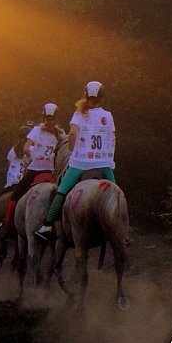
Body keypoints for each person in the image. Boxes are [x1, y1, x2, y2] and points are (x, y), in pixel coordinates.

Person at [35, 81, 116, 241]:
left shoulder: (79, 114)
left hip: (81, 163)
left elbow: (72, 133)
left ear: (85, 95)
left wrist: (72, 147)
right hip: (104, 164)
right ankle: (121, 229)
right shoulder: (108, 115)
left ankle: (47, 225)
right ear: (102, 97)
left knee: (62, 190)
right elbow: (112, 137)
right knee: (116, 194)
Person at [0, 103, 66, 238]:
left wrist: (35, 154)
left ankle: (6, 225)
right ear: (57, 117)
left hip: (35, 170)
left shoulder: (36, 130)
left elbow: (26, 149)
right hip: (51, 172)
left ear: (43, 117)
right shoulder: (59, 133)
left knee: (16, 194)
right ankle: (63, 229)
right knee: (62, 195)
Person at [2, 125, 32, 193]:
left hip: (11, 181)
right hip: (24, 181)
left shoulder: (12, 150)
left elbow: (9, 165)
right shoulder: (31, 150)